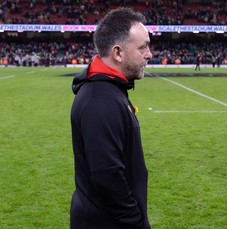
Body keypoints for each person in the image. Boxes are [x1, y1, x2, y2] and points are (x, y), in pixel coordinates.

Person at [70, 7, 152, 229]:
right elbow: (107, 177)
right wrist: (135, 222)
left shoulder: (109, 91)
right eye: (143, 47)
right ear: (118, 53)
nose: (149, 54)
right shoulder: (101, 100)